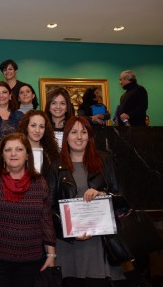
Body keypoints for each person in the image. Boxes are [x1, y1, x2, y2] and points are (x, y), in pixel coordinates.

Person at [0, 132, 56, 287]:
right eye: (8, 150)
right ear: (2, 155)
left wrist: (51, 253)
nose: (13, 154)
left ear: (28, 155)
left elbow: (46, 221)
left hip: (31, 263)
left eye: (19, 149)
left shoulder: (40, 183)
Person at [46, 116, 124, 286]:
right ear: (66, 137)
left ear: (90, 136)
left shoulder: (105, 160)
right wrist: (69, 231)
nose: (79, 137)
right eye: (74, 132)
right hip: (68, 245)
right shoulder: (55, 167)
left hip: (100, 245)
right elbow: (48, 209)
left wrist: (103, 194)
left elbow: (121, 199)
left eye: (84, 132)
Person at [18, 110, 59, 177]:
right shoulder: (17, 150)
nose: (37, 130)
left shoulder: (51, 152)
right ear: (26, 127)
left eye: (41, 127)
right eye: (33, 125)